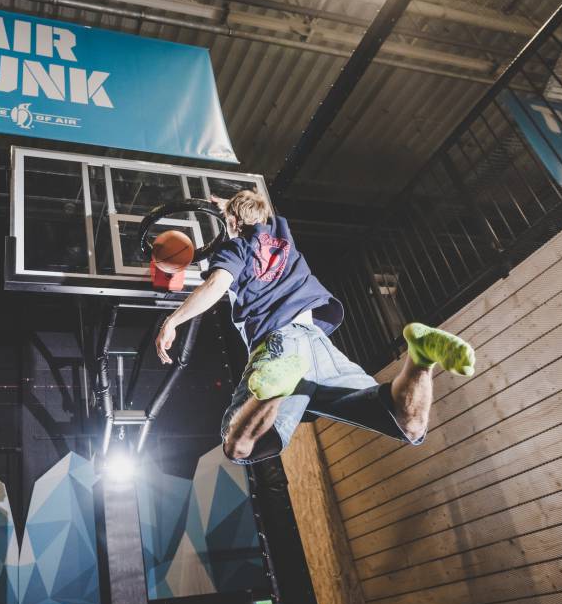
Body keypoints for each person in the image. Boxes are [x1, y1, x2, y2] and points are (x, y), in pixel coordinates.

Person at [154, 190, 476, 464]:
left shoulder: (234, 249)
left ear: (234, 222)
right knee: (409, 425)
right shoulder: (281, 235)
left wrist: (173, 321)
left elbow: (215, 286)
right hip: (318, 345)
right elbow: (258, 215)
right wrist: (234, 208)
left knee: (238, 447)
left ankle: (274, 391)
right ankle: (421, 359)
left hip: (278, 341)